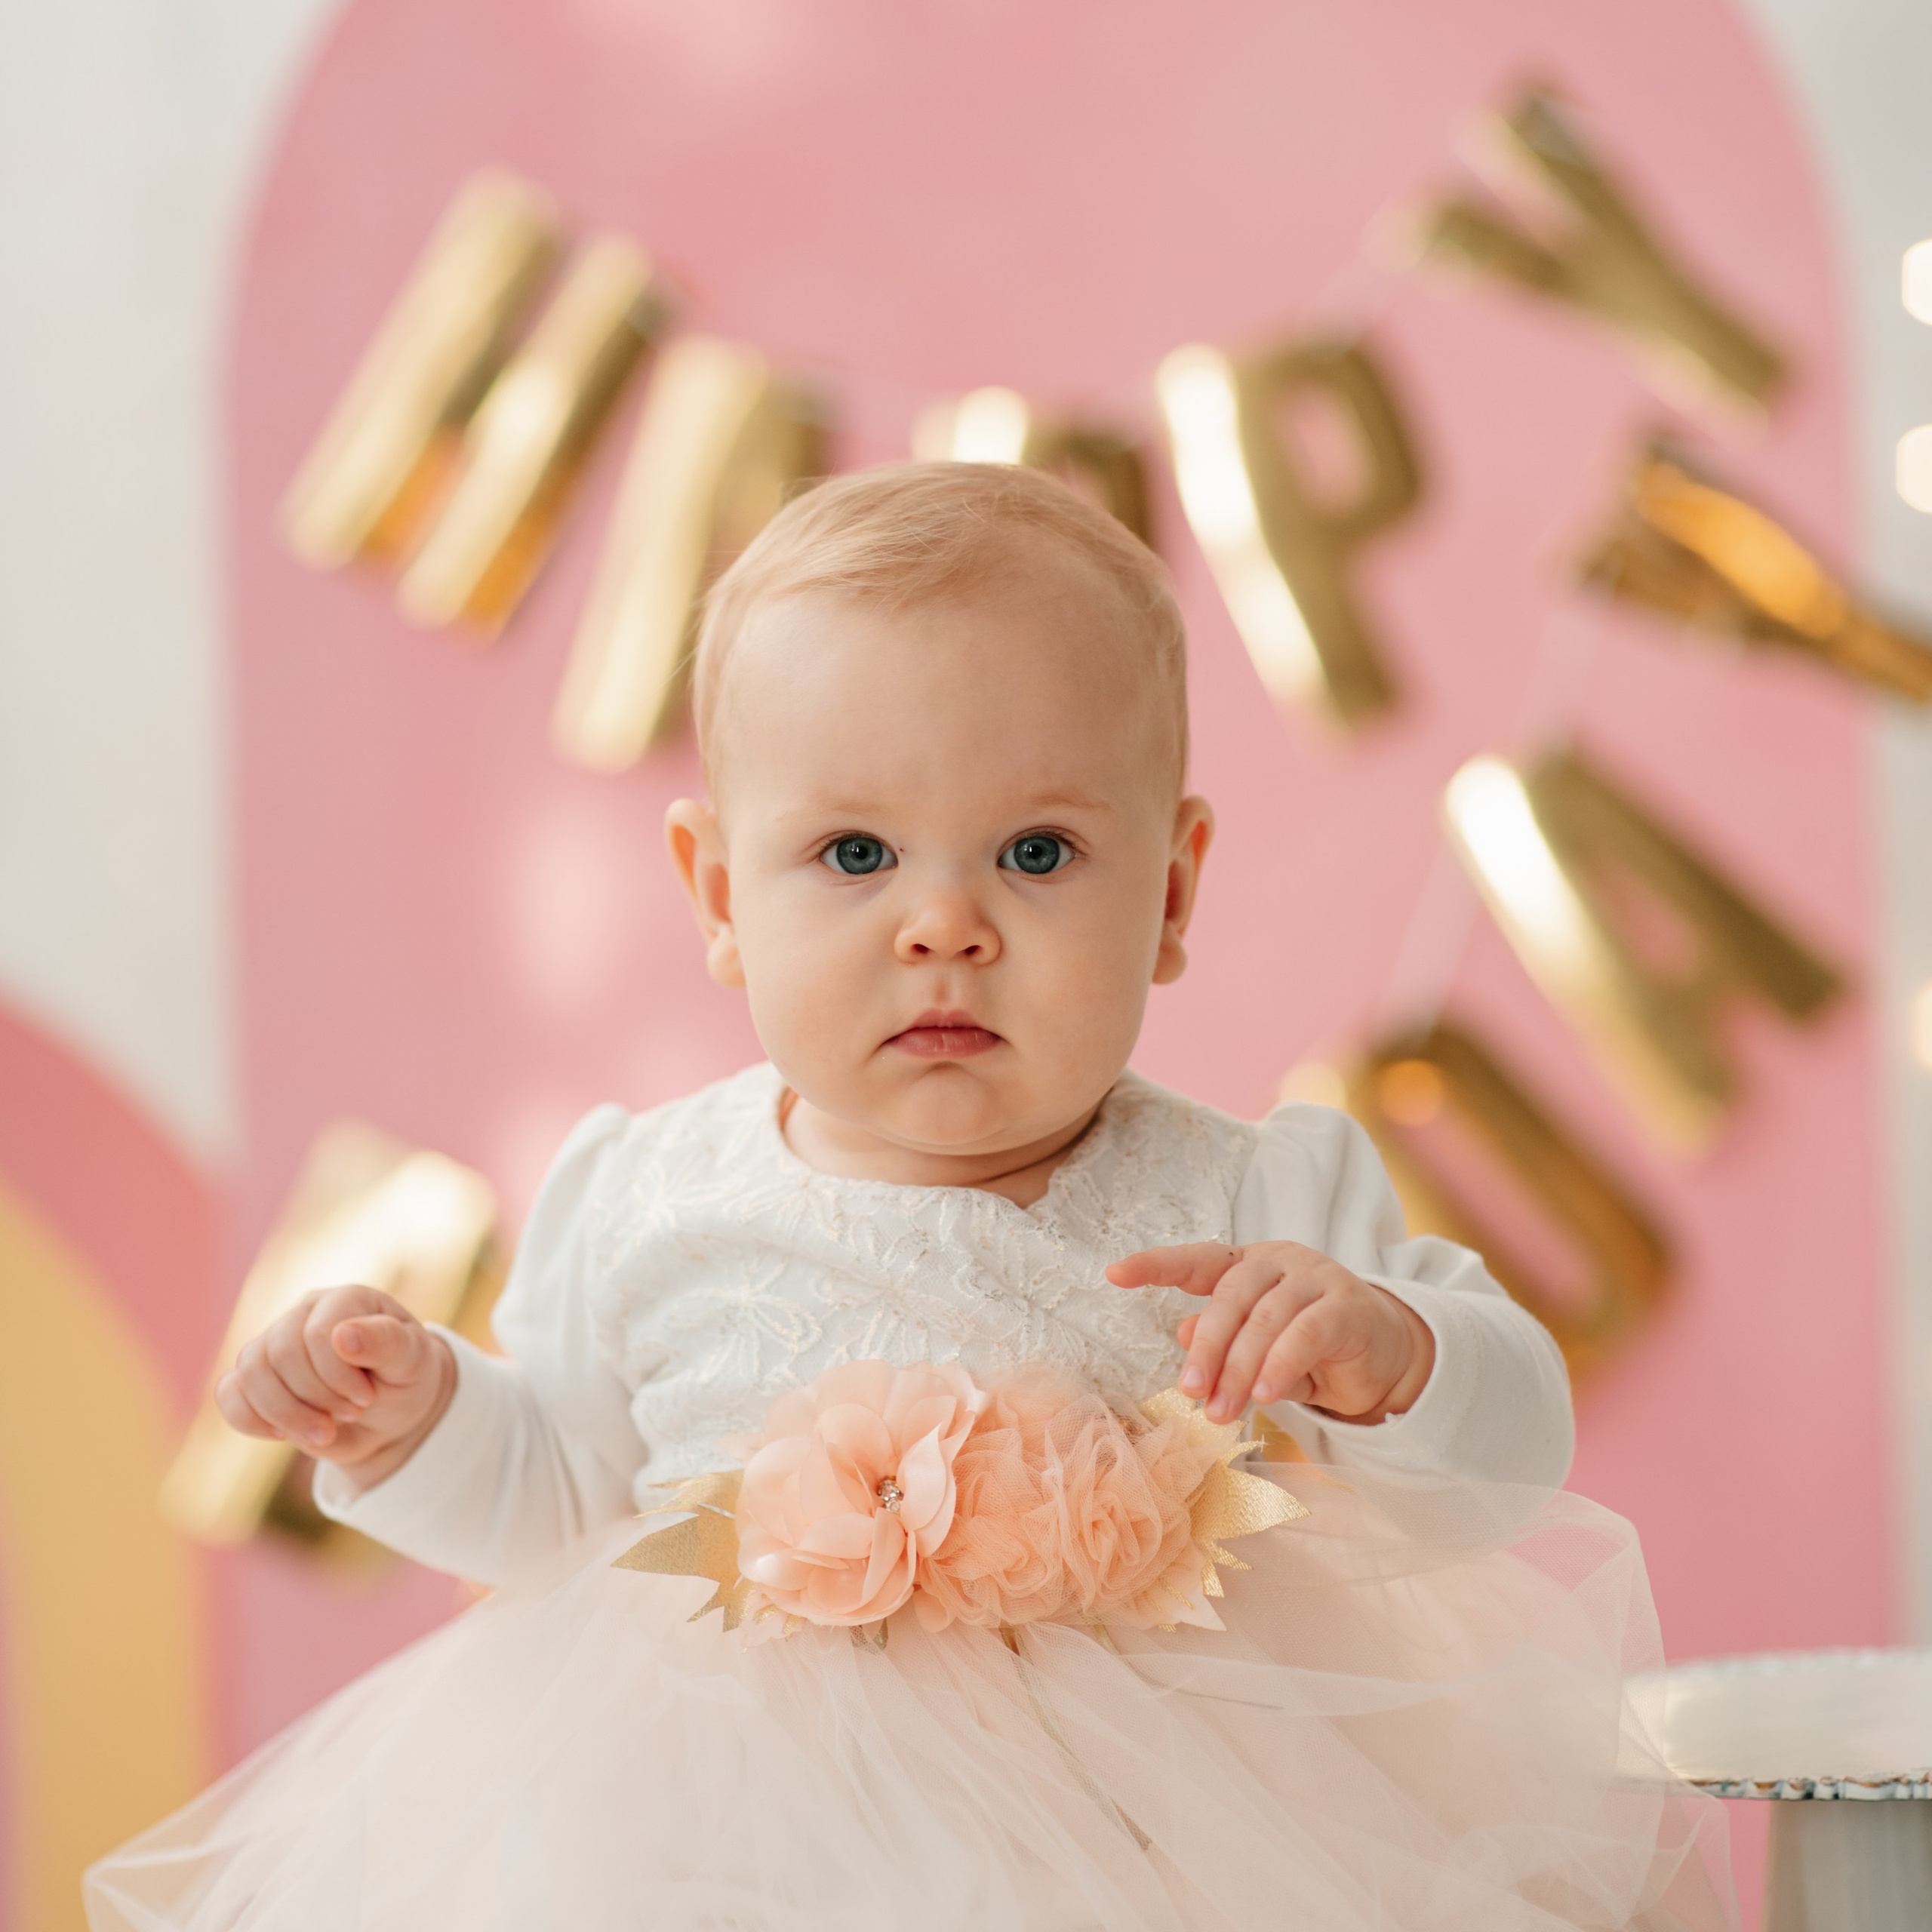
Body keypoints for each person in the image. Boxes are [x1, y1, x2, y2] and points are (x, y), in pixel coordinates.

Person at [88, 463, 1731, 1930]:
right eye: (856, 855)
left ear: (1169, 890)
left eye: (1032, 853)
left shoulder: (1263, 1191)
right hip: (727, 1851)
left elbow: (1503, 1476)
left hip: (1171, 1844)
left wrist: (1397, 1355)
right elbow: (561, 1515)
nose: (942, 923)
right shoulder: (644, 1191)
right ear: (720, 896)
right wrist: (417, 1427)